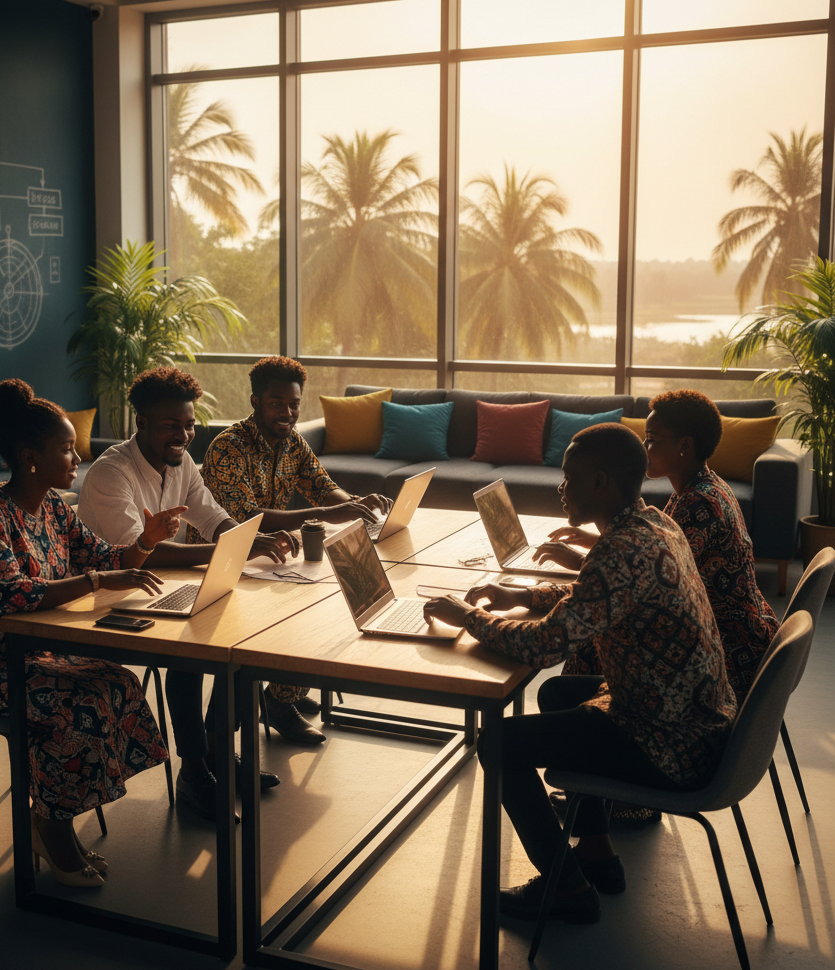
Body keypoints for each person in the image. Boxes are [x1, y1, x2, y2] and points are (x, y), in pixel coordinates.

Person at [422, 423, 736, 923]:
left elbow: (546, 645)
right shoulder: (653, 523)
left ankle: (566, 888)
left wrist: (471, 618)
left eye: (569, 478)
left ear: (601, 481)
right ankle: (595, 851)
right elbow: (598, 599)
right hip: (693, 718)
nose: (561, 488)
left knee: (498, 743)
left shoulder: (621, 549)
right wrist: (525, 596)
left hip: (668, 743)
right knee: (561, 694)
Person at [0, 379, 185, 888]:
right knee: (71, 707)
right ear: (29, 456)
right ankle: (51, 827)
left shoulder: (58, 508)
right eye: (65, 448)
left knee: (115, 682)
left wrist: (145, 543)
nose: (77, 456)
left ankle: (53, 817)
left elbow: (110, 561)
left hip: (26, 657)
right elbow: (10, 596)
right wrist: (98, 580)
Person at [78, 367, 294, 818]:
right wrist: (224, 552)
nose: (184, 434)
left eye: (189, 424)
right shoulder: (111, 473)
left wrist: (245, 540)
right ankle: (194, 774)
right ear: (140, 424)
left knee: (240, 637)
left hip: (152, 591)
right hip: (100, 600)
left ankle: (218, 755)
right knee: (190, 652)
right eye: (170, 425)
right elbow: (141, 555)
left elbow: (213, 517)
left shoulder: (182, 465)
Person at [191, 356, 394, 745]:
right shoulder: (227, 449)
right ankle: (234, 735)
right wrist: (329, 511)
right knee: (283, 626)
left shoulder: (292, 441)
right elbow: (246, 521)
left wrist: (354, 503)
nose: (287, 412)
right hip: (221, 567)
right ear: (255, 402)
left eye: (294, 404)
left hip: (271, 560)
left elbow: (321, 485)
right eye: (276, 403)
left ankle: (279, 697)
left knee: (327, 606)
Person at [539, 390, 780, 702]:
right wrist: (597, 542)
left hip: (730, 649)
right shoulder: (700, 487)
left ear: (684, 445)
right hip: (738, 633)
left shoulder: (699, 503)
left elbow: (648, 576)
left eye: (652, 439)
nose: (643, 448)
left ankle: (581, 729)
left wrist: (581, 562)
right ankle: (578, 727)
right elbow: (651, 554)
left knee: (593, 638)